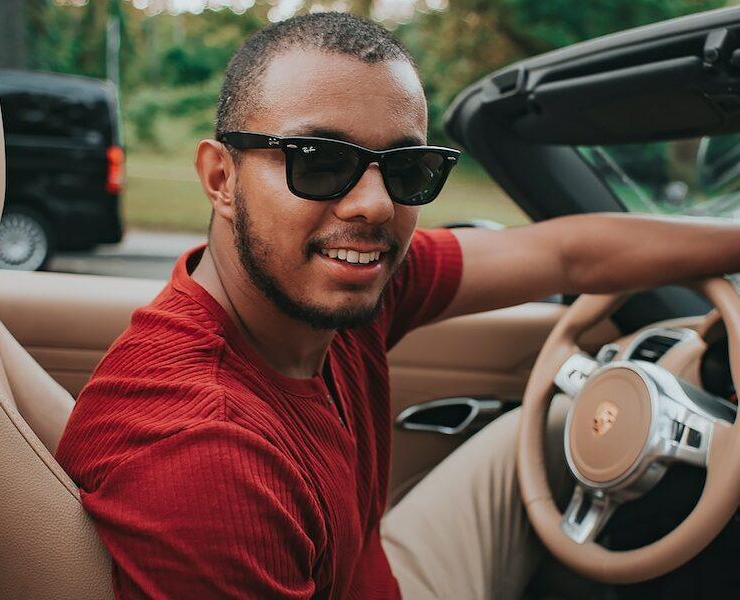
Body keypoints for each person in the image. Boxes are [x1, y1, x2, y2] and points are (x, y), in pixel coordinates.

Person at [56, 12, 740, 599]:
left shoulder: (337, 285)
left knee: (559, 418)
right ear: (220, 178)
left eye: (409, 170)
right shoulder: (205, 464)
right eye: (319, 160)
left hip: (373, 571)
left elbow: (567, 256)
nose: (375, 205)